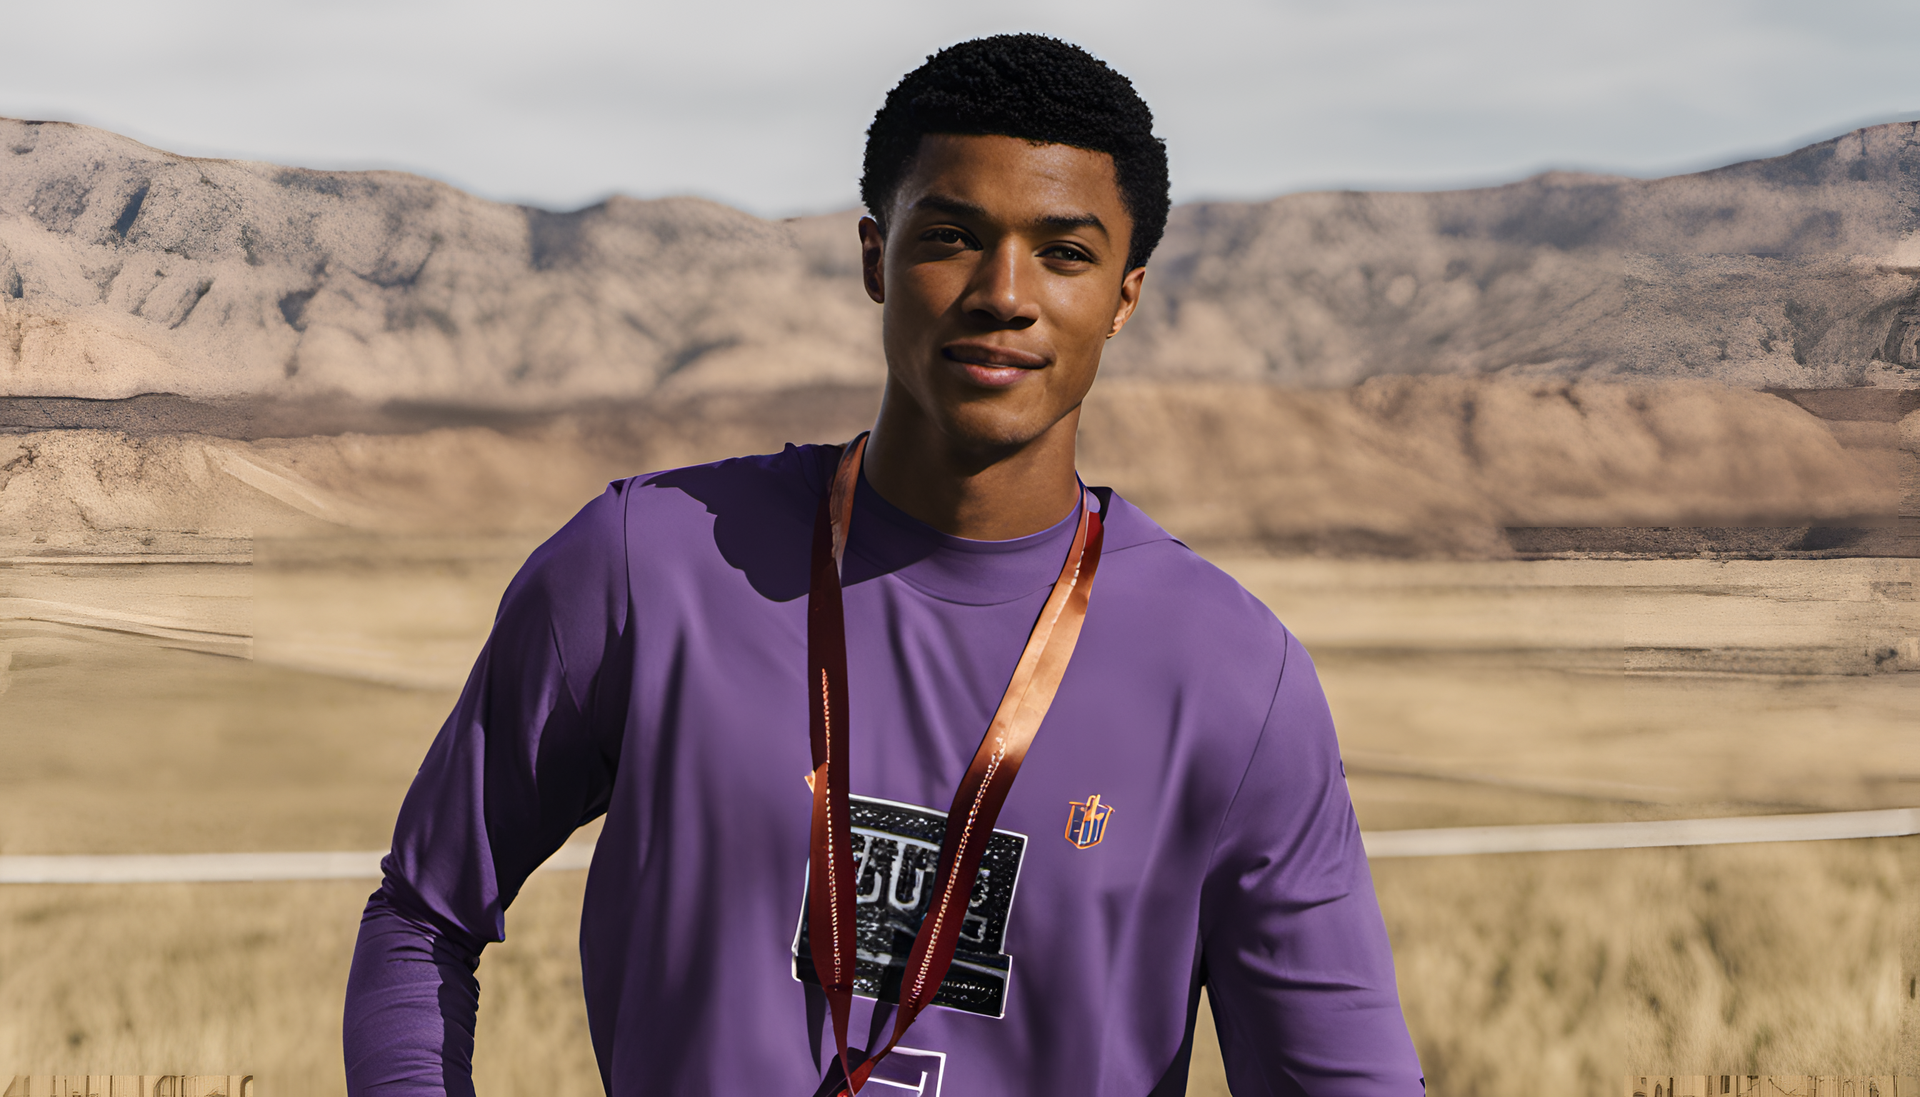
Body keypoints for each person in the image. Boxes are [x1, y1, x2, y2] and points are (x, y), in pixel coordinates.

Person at [342, 33, 1424, 1097]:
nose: (1006, 291)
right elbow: (425, 913)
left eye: (1065, 251)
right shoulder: (645, 564)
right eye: (953, 235)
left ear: (1125, 295)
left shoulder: (1234, 676)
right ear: (876, 255)